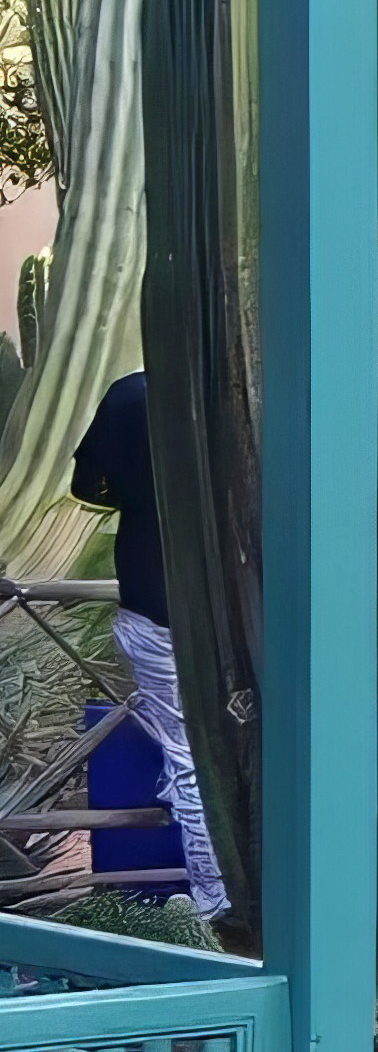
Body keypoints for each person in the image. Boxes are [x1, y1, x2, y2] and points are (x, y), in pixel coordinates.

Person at [68, 374, 228, 920]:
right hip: (238, 610)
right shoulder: (241, 392)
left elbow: (88, 484)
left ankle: (215, 899)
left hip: (155, 603)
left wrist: (141, 489)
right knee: (235, 750)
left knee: (186, 755)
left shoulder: (133, 396)